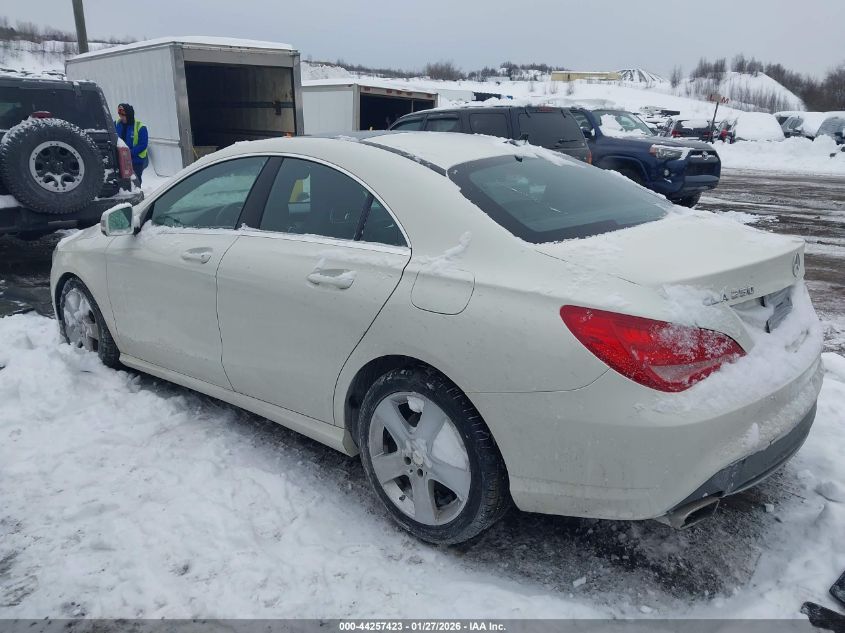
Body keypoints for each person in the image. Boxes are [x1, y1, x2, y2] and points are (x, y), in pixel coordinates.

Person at [115, 103, 149, 185]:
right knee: (123, 182)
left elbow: (143, 144)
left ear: (129, 115)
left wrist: (128, 153)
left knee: (135, 181)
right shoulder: (116, 124)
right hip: (120, 159)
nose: (121, 117)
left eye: (123, 115)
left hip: (136, 160)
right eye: (119, 114)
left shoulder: (140, 127)